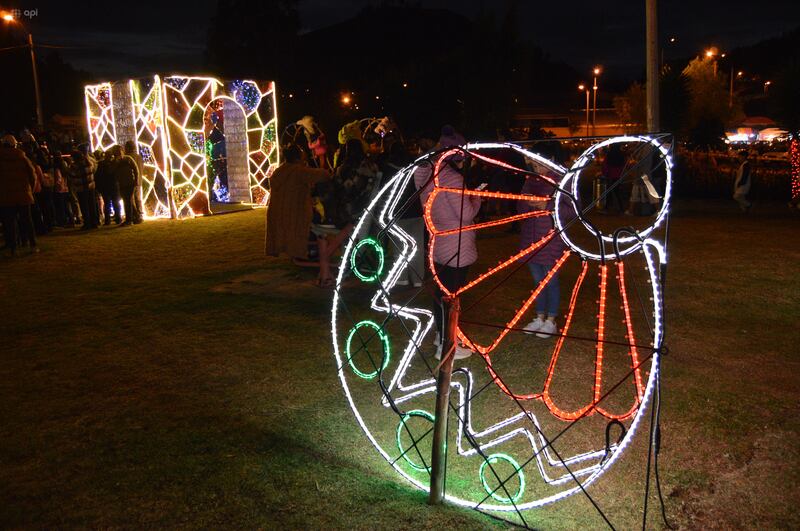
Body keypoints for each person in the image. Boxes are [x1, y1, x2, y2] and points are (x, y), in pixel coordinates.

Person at [415, 125, 479, 360]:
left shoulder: (424, 174)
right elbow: (465, 214)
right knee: (452, 296)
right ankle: (448, 343)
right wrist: (477, 197)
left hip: (437, 239)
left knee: (442, 293)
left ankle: (441, 335)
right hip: (457, 243)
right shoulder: (452, 178)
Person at [265, 143, 331, 265]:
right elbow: (323, 175)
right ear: (298, 157)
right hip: (295, 212)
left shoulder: (279, 172)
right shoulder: (299, 171)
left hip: (277, 213)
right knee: (319, 220)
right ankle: (309, 251)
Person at [520, 174, 567, 338]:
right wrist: (527, 202)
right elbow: (520, 207)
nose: (535, 166)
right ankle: (540, 317)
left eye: (538, 162)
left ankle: (551, 320)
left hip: (551, 239)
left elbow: (572, 209)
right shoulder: (529, 180)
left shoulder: (562, 180)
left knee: (551, 281)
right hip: (530, 239)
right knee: (538, 282)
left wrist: (547, 205)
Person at [0, 134, 38, 255]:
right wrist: (30, 190)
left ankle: (13, 247)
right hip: (23, 194)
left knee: (10, 223)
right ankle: (32, 244)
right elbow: (32, 175)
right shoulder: (23, 157)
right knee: (27, 220)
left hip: (6, 196)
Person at [70, 148, 99, 230]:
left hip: (81, 188)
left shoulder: (74, 166)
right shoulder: (89, 163)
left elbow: (72, 175)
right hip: (90, 187)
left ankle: (87, 223)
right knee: (92, 205)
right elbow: (93, 170)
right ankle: (94, 222)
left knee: (84, 206)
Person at [110, 145, 139, 225]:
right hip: (121, 184)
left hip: (130, 183)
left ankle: (129, 220)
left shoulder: (128, 159)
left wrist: (136, 180)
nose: (118, 153)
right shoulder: (114, 161)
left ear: (122, 151)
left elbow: (136, 169)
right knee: (128, 201)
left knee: (128, 201)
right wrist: (116, 162)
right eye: (116, 151)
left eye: (119, 150)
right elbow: (111, 171)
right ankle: (137, 217)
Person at [94, 151, 121, 225]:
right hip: (112, 186)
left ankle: (108, 220)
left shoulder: (101, 164)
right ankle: (117, 219)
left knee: (108, 203)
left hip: (106, 187)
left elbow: (97, 176)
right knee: (114, 203)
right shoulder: (113, 163)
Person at [600, 143, 626, 213]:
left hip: (611, 175)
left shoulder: (609, 154)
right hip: (618, 175)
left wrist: (604, 173)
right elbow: (624, 165)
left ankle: (607, 208)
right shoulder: (621, 154)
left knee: (610, 192)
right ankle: (620, 208)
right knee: (616, 192)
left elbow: (606, 165)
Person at [124, 141, 144, 223]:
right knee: (138, 198)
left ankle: (136, 216)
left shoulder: (128, 157)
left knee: (131, 199)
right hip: (139, 181)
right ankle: (139, 214)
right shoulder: (139, 156)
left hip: (131, 181)